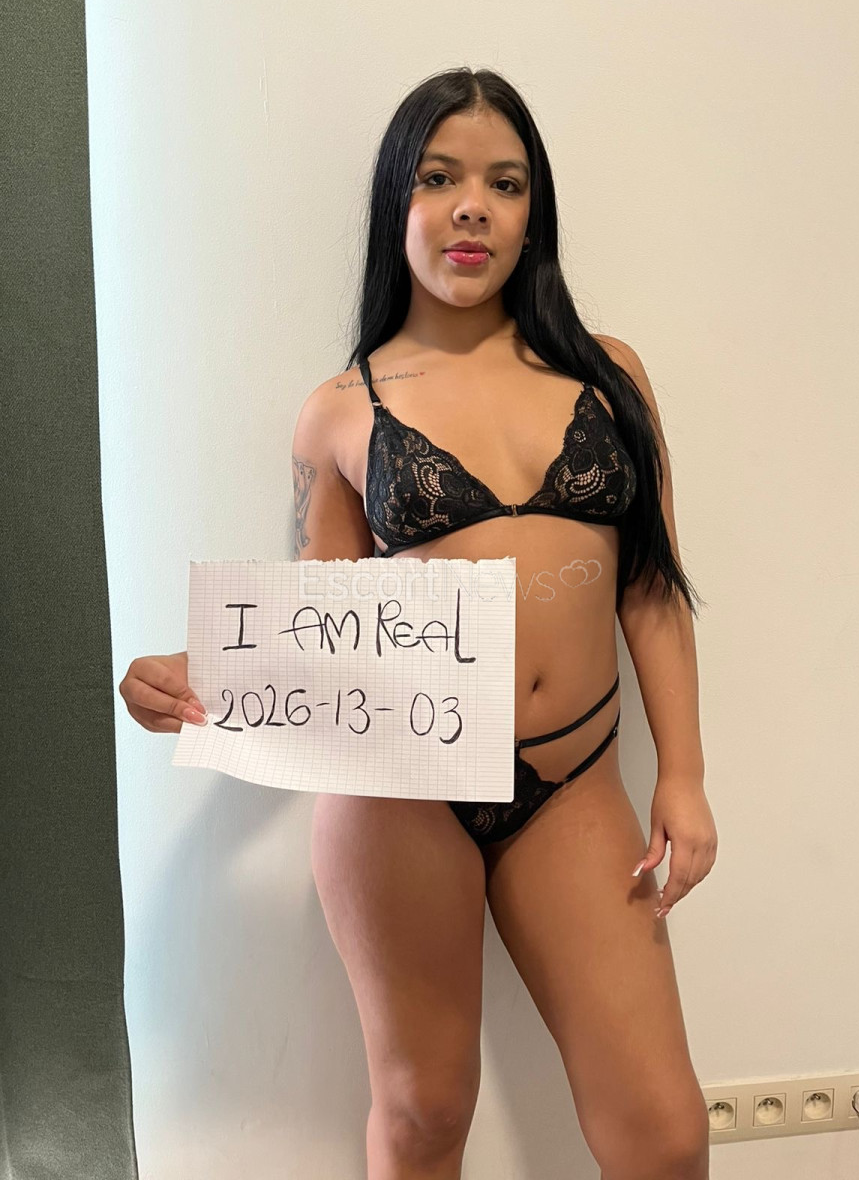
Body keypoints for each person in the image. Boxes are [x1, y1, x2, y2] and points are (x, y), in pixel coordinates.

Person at [119, 66, 718, 1180]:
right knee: (424, 1111)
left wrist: (681, 773)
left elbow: (650, 586)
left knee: (666, 1134)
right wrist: (195, 673)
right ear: (399, 200)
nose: (472, 207)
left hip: (573, 784)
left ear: (534, 213)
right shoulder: (340, 410)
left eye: (505, 183)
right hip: (402, 795)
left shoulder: (611, 377)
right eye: (439, 179)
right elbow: (324, 619)